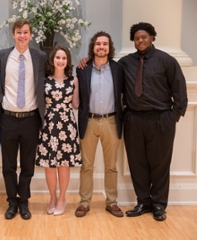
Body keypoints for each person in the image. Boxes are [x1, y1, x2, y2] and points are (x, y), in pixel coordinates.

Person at [119, 22, 188, 221]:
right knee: (137, 163)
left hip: (161, 120)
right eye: (137, 38)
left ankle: (159, 205)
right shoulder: (125, 63)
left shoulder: (167, 61)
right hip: (133, 119)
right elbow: (106, 70)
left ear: (152, 37)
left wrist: (173, 116)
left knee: (159, 164)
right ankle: (143, 202)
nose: (140, 41)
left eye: (144, 37)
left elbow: (179, 90)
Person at [0, 19, 47, 220]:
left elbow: (57, 72)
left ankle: (24, 201)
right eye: (18, 32)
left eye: (26, 32)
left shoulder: (40, 57)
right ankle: (11, 202)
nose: (22, 36)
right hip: (7, 118)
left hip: (31, 119)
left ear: (31, 35)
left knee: (27, 165)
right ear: (13, 34)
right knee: (8, 165)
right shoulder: (2, 56)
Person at [74, 31, 124, 218]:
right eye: (98, 44)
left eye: (105, 44)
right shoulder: (83, 69)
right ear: (93, 47)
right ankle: (84, 202)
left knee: (111, 166)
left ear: (109, 47)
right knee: (86, 165)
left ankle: (111, 202)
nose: (101, 47)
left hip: (111, 121)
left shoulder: (119, 69)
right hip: (89, 121)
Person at [35, 46, 81, 216]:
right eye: (58, 57)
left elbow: (76, 104)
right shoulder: (45, 80)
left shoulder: (73, 80)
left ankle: (62, 197)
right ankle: (52, 197)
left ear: (67, 60)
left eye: (64, 58)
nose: (60, 61)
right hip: (48, 125)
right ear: (52, 60)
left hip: (67, 125)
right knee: (49, 165)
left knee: (63, 164)